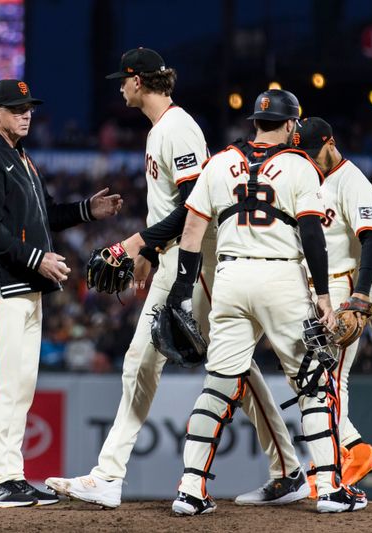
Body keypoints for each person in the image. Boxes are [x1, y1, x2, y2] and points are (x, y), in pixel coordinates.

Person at [45, 50, 308, 510]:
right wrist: (149, 249)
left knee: (182, 364)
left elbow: (193, 207)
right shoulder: (162, 129)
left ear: (139, 81)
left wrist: (132, 245)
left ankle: (109, 475)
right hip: (179, 257)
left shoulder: (177, 127)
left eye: (122, 79)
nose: (118, 87)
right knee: (222, 364)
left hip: (199, 261)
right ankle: (286, 469)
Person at [165, 89, 367, 515]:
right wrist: (325, 297)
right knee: (313, 382)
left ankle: (190, 489)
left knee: (219, 385)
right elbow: (312, 234)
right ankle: (330, 488)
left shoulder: (218, 162)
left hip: (230, 277)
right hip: (280, 276)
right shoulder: (300, 166)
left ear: (255, 122)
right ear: (292, 124)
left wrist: (181, 294)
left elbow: (191, 234)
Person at [0, 79, 122, 508]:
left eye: (28, 106)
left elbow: (46, 214)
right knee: (2, 382)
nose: (25, 113)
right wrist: (36, 258)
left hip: (25, 289)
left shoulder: (19, 157)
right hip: (0, 287)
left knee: (21, 385)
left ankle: (10, 475)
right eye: (16, 108)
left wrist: (88, 210)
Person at [282, 117, 372, 495]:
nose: (308, 158)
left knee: (331, 380)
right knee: (308, 379)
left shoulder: (353, 180)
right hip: (312, 289)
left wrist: (360, 294)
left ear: (330, 142)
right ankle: (356, 450)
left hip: (344, 288)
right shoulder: (305, 177)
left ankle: (336, 463)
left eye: (312, 151)